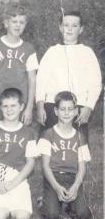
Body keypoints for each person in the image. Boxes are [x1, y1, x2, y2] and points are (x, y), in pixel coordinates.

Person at [36, 10, 102, 141]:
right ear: (60, 28)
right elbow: (41, 81)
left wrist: (88, 107)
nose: (70, 29)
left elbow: (96, 83)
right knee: (47, 147)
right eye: (66, 25)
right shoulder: (52, 51)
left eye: (74, 26)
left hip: (78, 108)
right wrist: (39, 106)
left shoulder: (87, 52)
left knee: (78, 151)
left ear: (81, 29)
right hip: (52, 107)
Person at [0, 88, 37, 219]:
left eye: (13, 106)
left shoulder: (28, 132)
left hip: (16, 176)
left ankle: (14, 202)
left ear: (21, 107)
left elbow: (30, 162)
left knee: (22, 217)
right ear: (0, 107)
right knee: (0, 217)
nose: (9, 110)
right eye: (5, 106)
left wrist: (14, 182)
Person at [37, 91, 92, 219]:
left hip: (72, 178)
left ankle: (68, 204)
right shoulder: (48, 134)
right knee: (52, 215)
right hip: (53, 178)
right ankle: (43, 202)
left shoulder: (80, 137)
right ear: (56, 111)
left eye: (70, 109)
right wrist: (56, 187)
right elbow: (45, 167)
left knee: (83, 214)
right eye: (62, 109)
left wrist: (75, 187)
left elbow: (82, 168)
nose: (66, 113)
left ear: (76, 111)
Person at [0, 5, 38, 125]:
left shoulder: (29, 49)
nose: (18, 25)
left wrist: (29, 108)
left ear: (25, 25)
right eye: (14, 22)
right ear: (6, 23)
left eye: (21, 22)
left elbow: (32, 79)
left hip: (19, 103)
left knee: (19, 136)